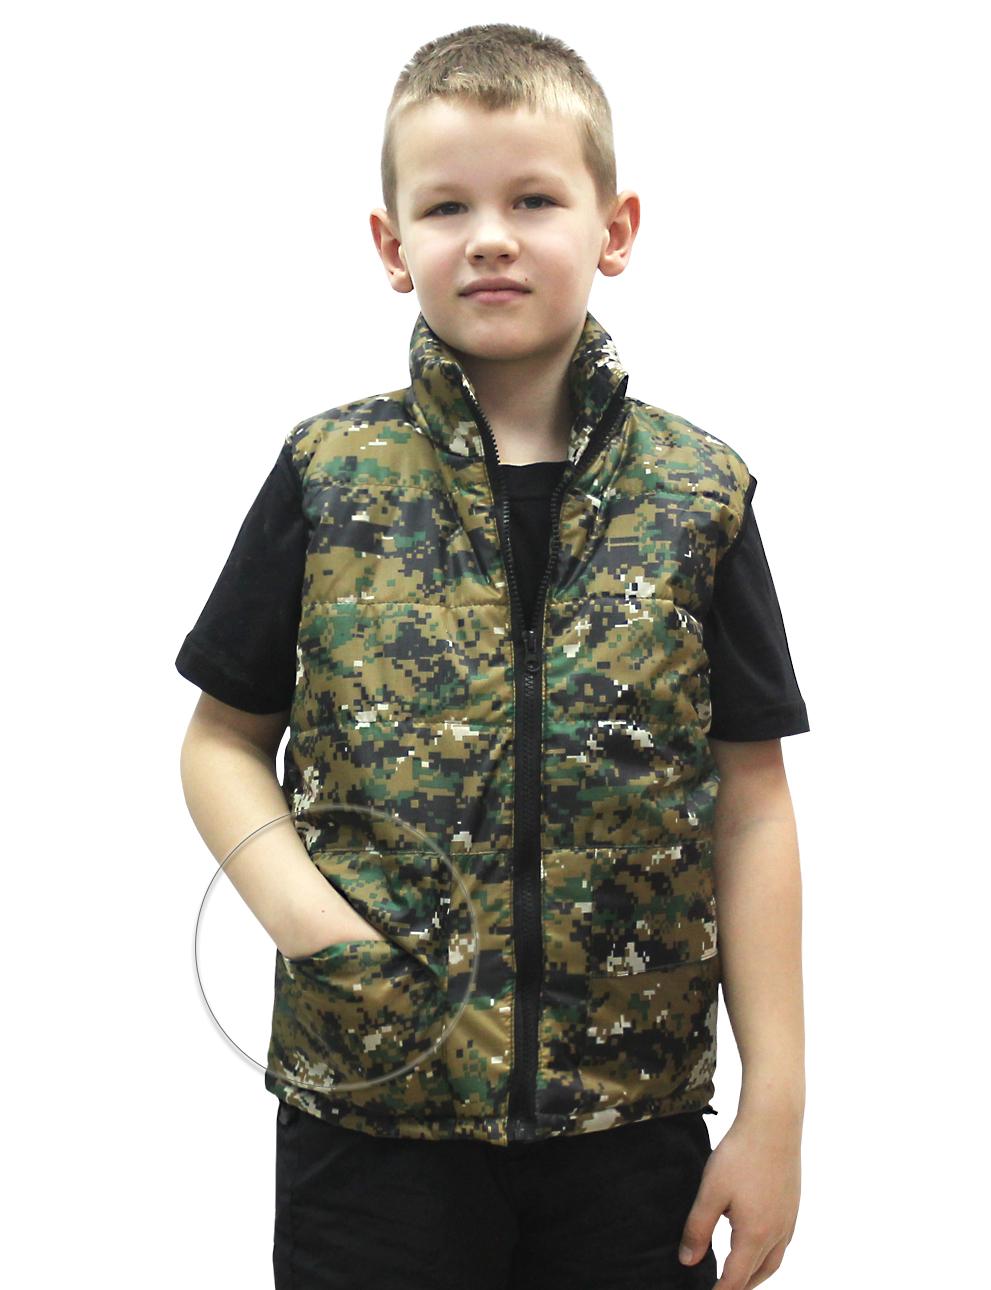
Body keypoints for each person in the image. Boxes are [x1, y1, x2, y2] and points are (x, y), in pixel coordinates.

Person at [176, 22, 809, 1290]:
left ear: (615, 229)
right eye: (446, 206)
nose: (490, 237)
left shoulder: (698, 495)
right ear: (390, 246)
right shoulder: (327, 476)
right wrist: (317, 932)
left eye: (533, 199)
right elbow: (220, 745)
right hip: (373, 1125)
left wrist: (774, 1110)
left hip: (628, 1129)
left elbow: (750, 806)